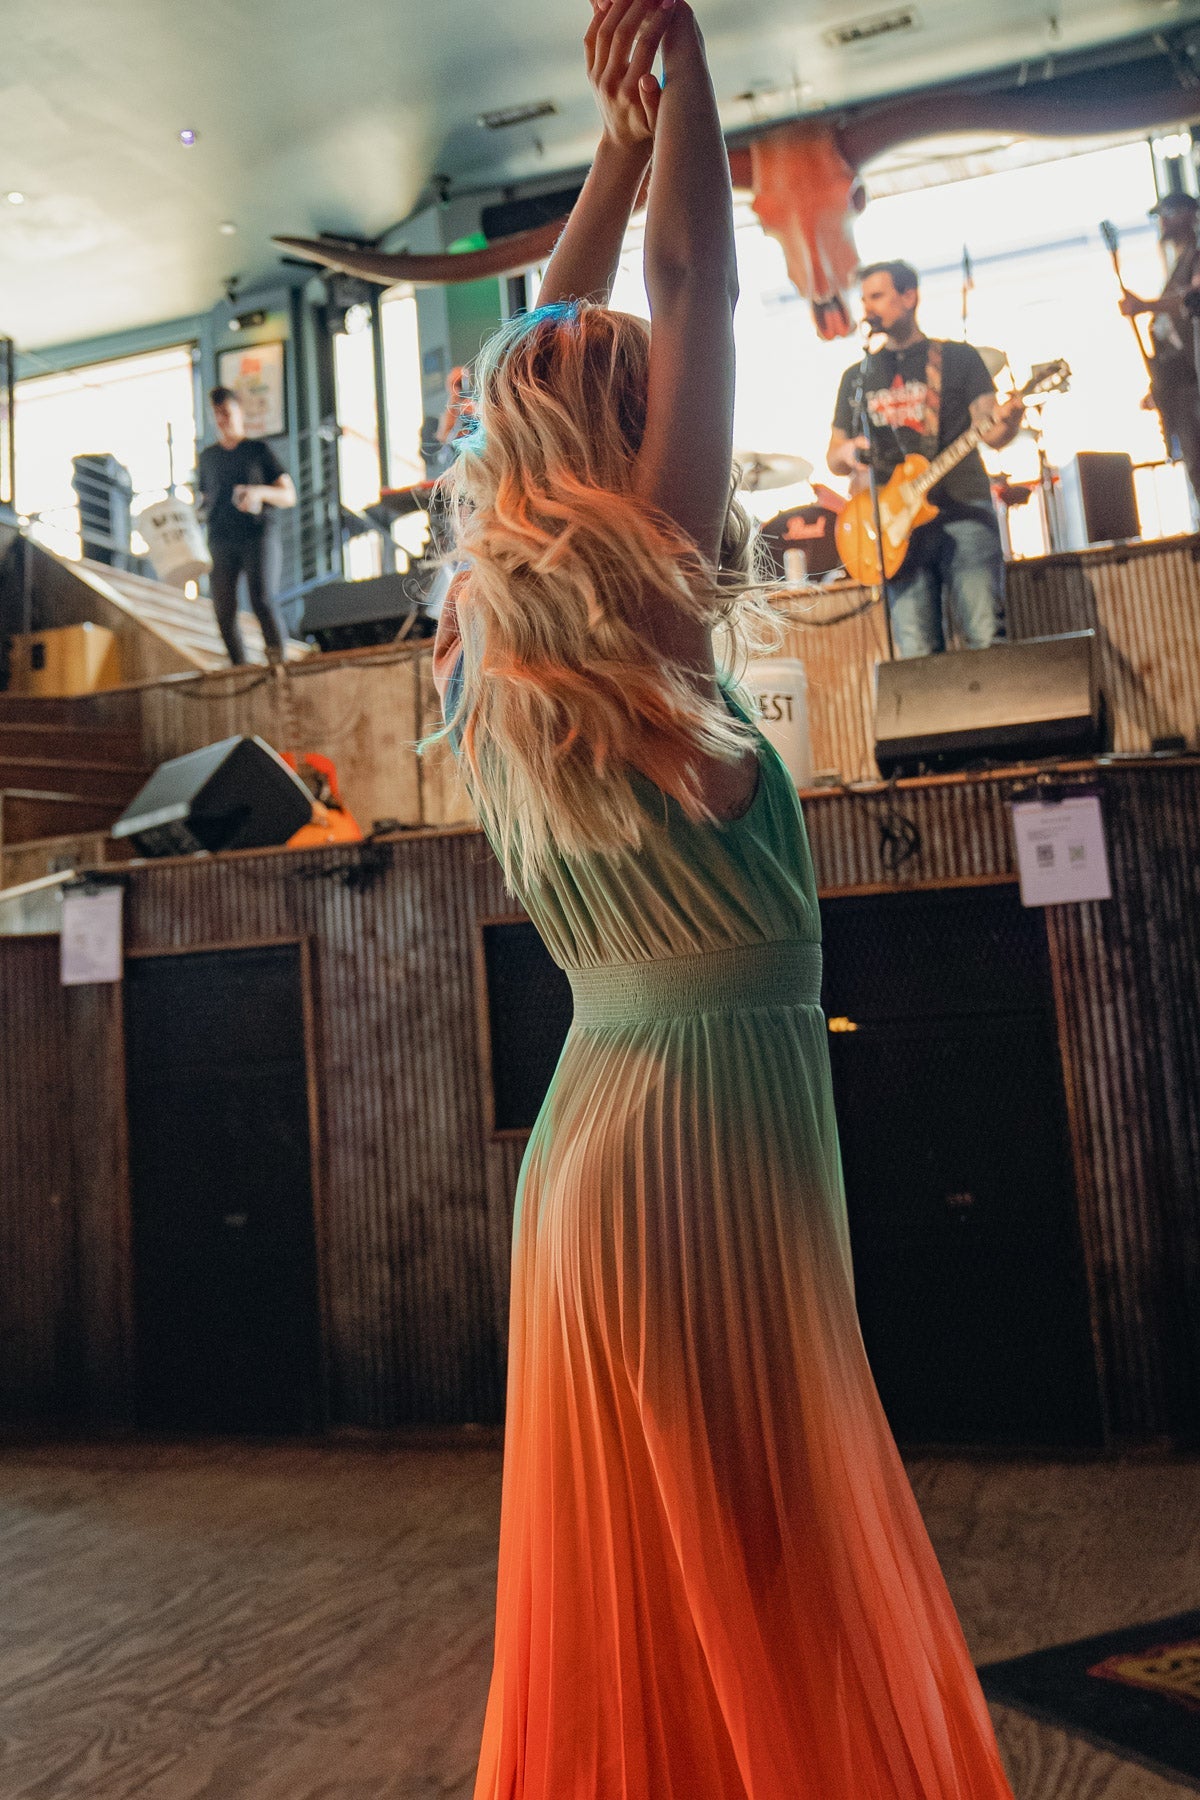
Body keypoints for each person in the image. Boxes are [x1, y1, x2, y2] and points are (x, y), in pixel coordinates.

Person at [434, 5, 1016, 1796]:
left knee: (666, 1588)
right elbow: (702, 286)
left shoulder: (488, 643)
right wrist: (681, 69)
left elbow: (562, 328)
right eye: (639, 393)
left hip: (596, 1152)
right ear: (620, 443)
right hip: (702, 1148)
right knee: (761, 1573)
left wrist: (613, 145)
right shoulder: (652, 602)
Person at [827, 261, 1023, 658]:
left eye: (877, 297)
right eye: (864, 299)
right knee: (915, 652)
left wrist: (1011, 420)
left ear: (909, 296)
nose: (868, 308)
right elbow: (834, 455)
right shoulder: (858, 376)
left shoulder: (958, 358)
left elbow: (993, 432)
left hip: (963, 510)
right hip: (896, 526)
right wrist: (850, 452)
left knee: (986, 637)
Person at [196, 386, 296, 664]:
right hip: (220, 538)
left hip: (257, 534)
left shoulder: (258, 450)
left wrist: (258, 493)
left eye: (226, 413)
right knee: (223, 609)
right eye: (216, 414)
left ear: (239, 413)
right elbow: (205, 500)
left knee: (262, 599)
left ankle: (279, 663)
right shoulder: (207, 457)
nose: (222, 420)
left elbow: (289, 495)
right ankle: (239, 667)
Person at [1118, 190, 1200, 505]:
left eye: (1168, 212)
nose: (1162, 222)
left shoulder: (1195, 255)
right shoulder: (1178, 261)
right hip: (1178, 387)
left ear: (1188, 214)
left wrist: (1144, 305)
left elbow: (1193, 298)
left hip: (1193, 387)